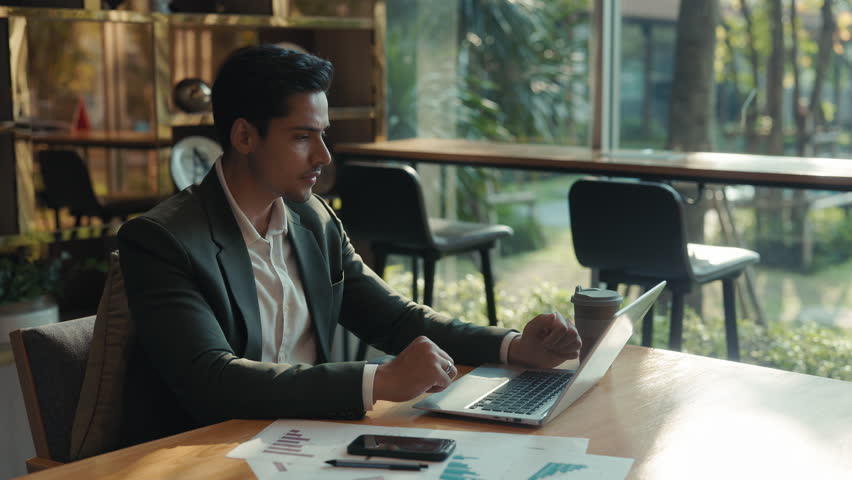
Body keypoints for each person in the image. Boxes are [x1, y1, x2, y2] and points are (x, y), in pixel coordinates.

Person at [118, 45, 580, 431]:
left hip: (306, 437)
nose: (322, 155)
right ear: (244, 136)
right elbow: (211, 380)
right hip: (203, 449)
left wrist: (513, 347)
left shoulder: (312, 218)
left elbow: (395, 319)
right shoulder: (162, 240)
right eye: (302, 137)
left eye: (323, 135)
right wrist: (377, 381)